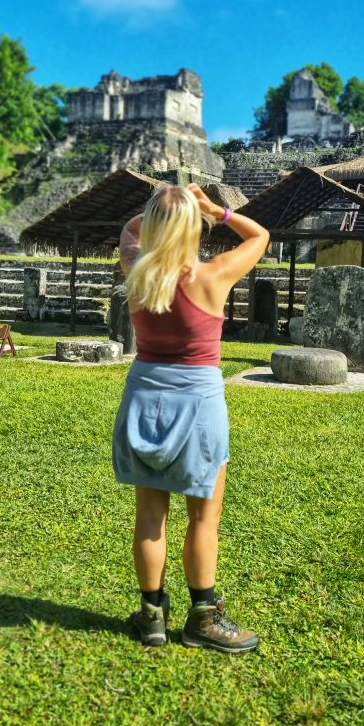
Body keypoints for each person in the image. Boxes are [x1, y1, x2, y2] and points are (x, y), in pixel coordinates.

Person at [112, 184, 270, 653]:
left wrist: (160, 207)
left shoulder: (137, 270)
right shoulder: (214, 276)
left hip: (144, 398)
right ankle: (202, 617)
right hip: (198, 405)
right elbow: (259, 237)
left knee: (149, 517)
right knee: (203, 518)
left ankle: (152, 617)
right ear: (192, 229)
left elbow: (129, 229)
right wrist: (216, 210)